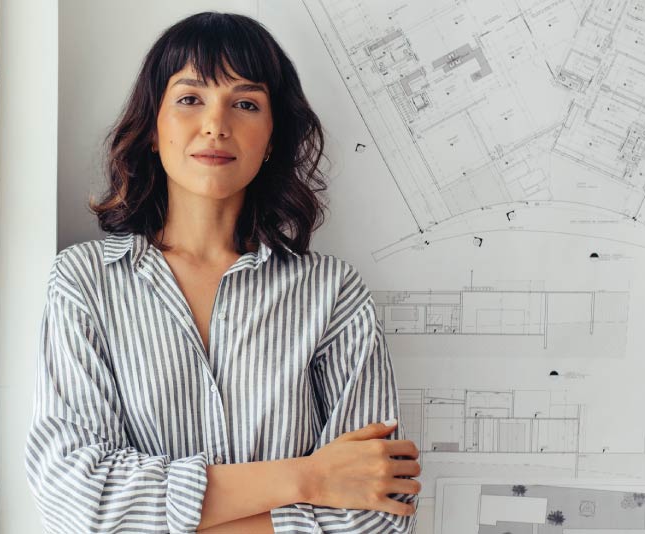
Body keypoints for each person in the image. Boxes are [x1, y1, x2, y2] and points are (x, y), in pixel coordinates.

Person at [25, 11, 420, 534]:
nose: (216, 123)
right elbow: (75, 500)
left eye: (246, 103)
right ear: (152, 126)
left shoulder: (333, 292)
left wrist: (165, 518)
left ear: (273, 135)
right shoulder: (83, 282)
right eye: (190, 98)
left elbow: (379, 515)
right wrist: (308, 478)